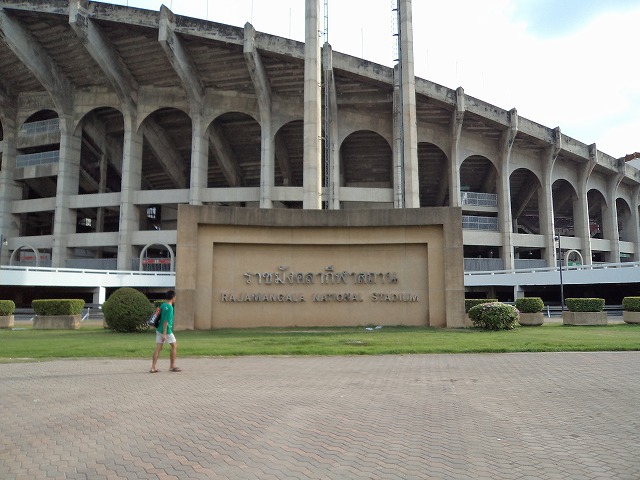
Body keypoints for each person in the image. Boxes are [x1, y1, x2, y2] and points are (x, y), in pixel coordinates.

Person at [150, 290, 182, 373]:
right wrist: (164, 334)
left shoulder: (163, 305)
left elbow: (159, 314)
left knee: (158, 348)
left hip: (159, 329)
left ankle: (153, 367)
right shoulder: (170, 308)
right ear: (173, 297)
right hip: (166, 331)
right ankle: (172, 366)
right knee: (174, 346)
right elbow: (166, 322)